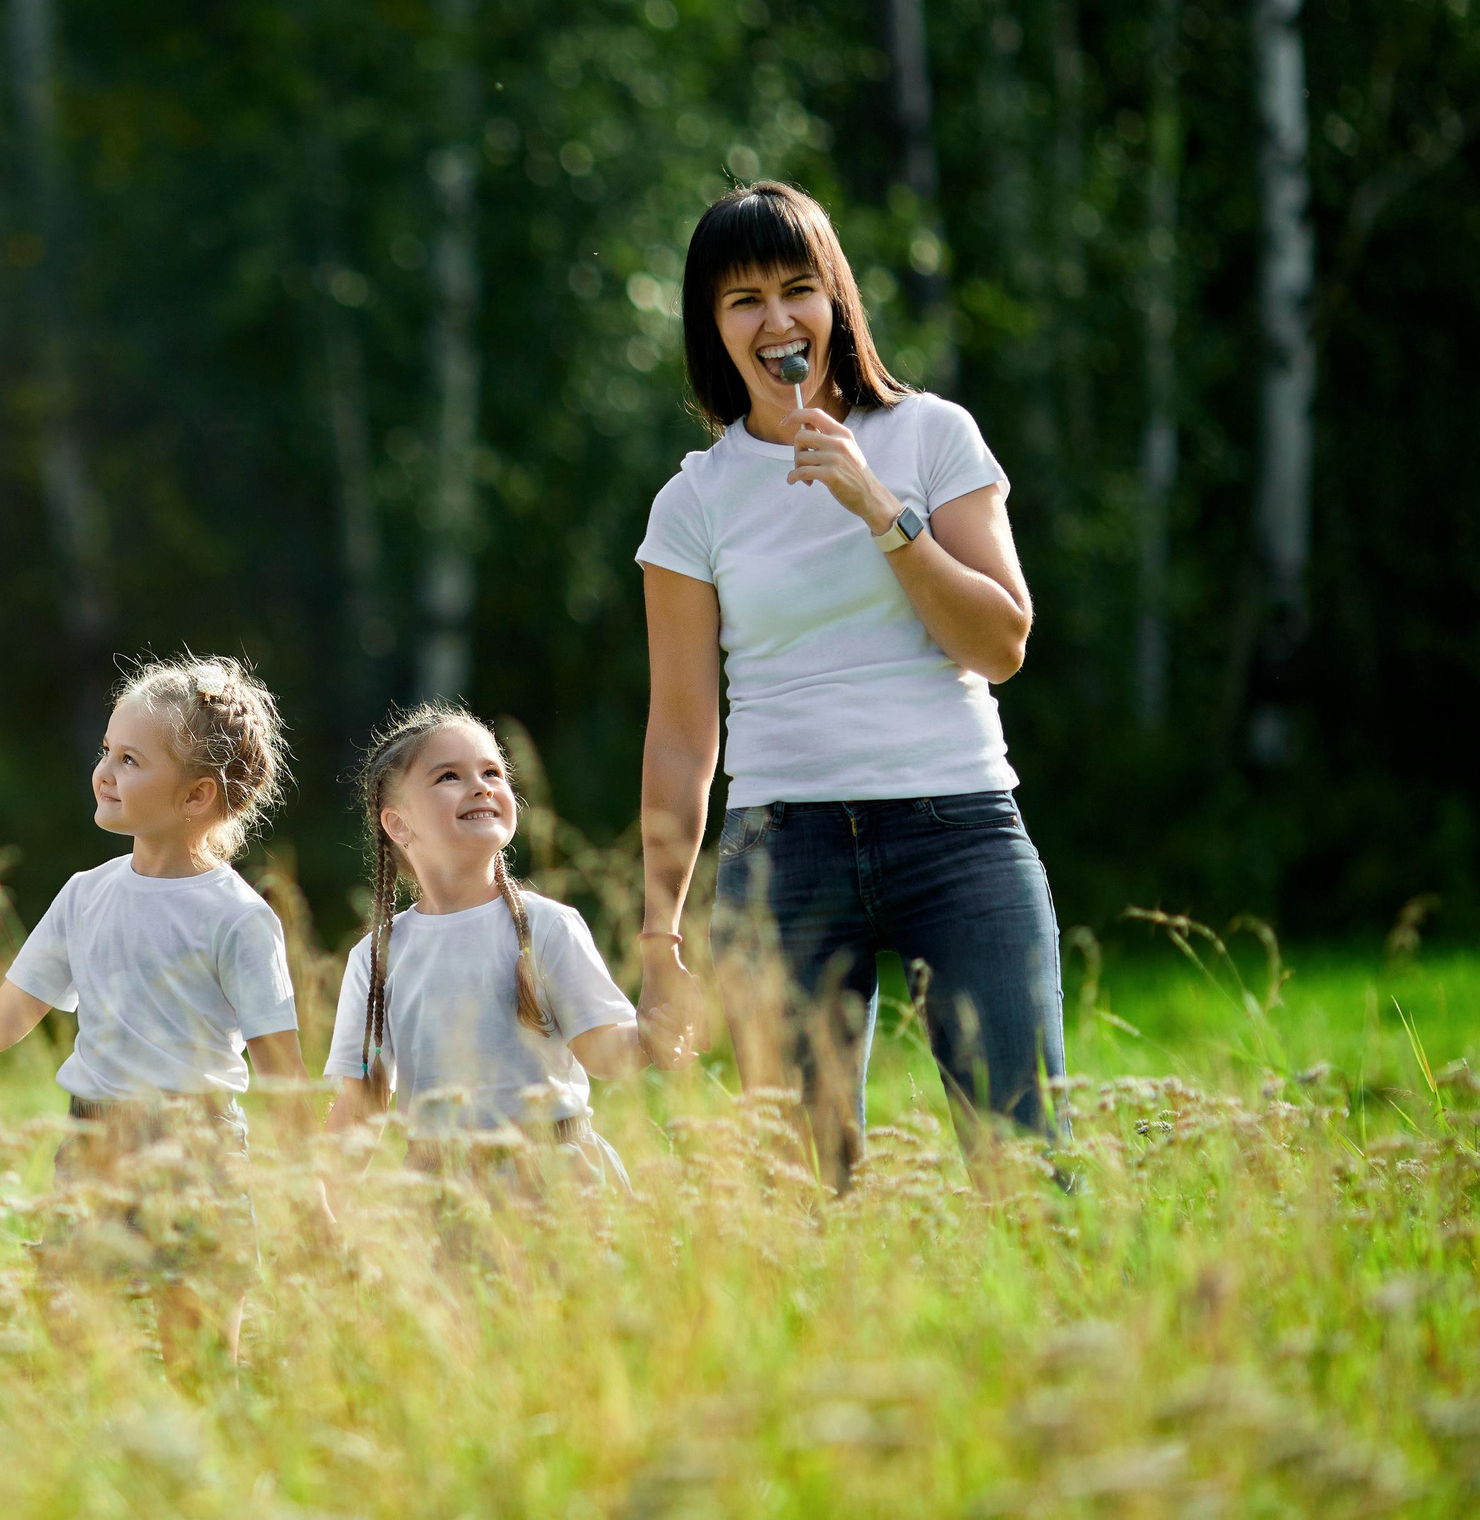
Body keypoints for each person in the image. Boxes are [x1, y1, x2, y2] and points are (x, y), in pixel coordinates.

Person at [634, 181, 1062, 1189]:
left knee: (1023, 1158)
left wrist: (881, 511)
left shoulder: (929, 437)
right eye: (743, 300)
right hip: (783, 856)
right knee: (799, 1193)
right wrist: (659, 933)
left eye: (798, 289)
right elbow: (682, 736)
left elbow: (999, 643)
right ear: (713, 326)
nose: (777, 319)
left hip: (958, 832)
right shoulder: (691, 501)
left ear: (836, 304)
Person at [0, 654, 305, 1361]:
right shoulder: (85, 894)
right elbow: (1, 1019)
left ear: (196, 795)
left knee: (199, 1356)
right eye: (106, 751)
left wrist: (318, 1193)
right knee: (74, 1347)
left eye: (131, 758)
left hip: (197, 1151)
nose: (104, 771)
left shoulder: (237, 918)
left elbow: (285, 1074)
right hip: (94, 1144)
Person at [323, 706, 650, 1187]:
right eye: (449, 776)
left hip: (558, 1184)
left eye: (492, 772)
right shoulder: (377, 958)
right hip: (442, 1195)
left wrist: (658, 1031)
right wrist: (316, 1203)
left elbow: (606, 1055)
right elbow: (361, 1106)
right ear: (397, 824)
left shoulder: (548, 926)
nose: (481, 786)